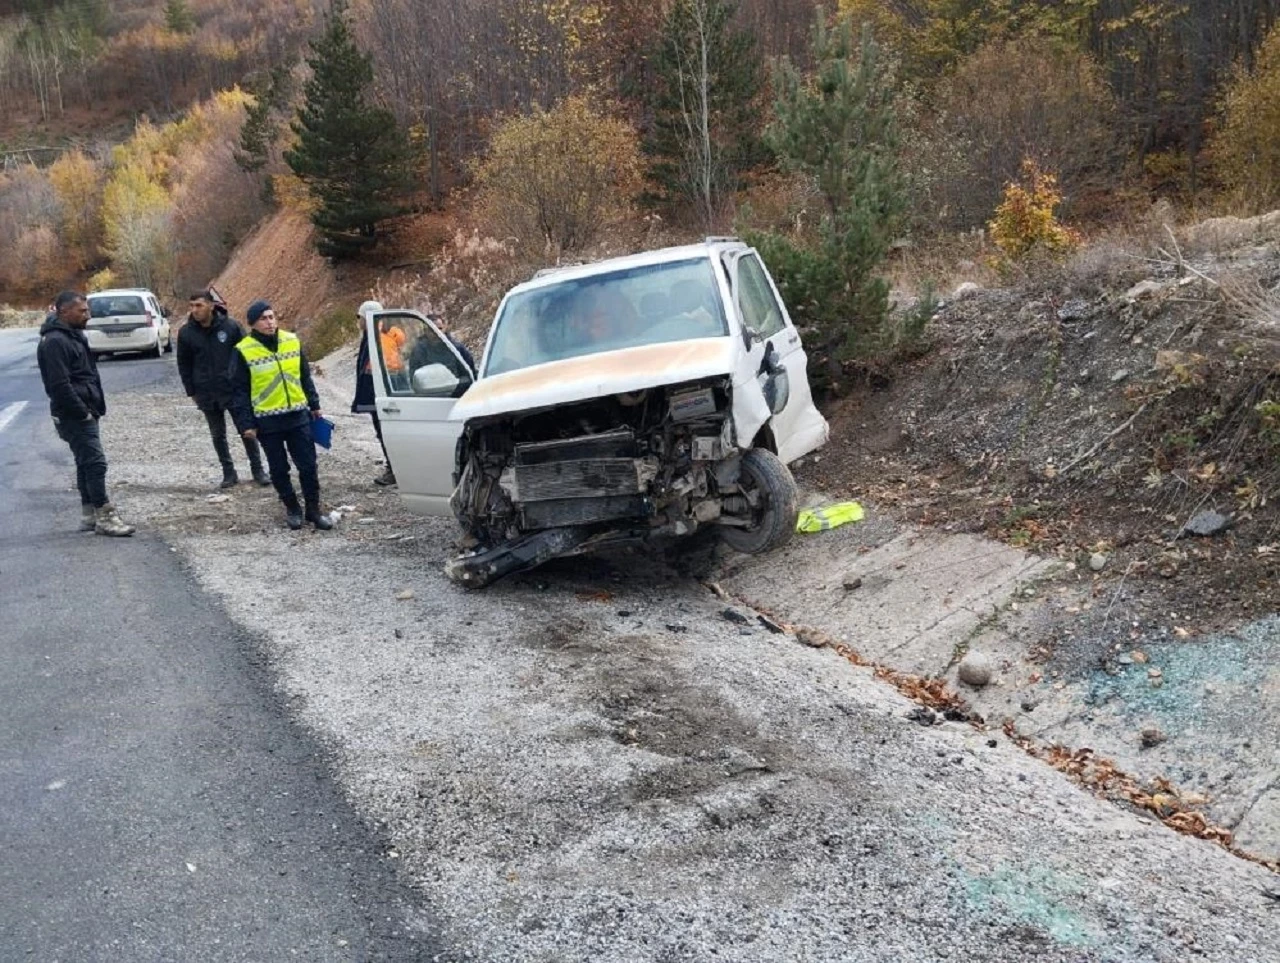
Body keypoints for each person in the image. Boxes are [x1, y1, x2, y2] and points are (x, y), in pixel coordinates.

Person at [35, 290, 135, 537]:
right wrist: (82, 412)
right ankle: (105, 515)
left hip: (85, 408)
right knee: (95, 462)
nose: (88, 315)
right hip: (73, 413)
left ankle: (89, 514)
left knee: (84, 462)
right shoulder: (56, 341)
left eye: (87, 310)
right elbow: (59, 385)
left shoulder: (73, 335)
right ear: (64, 311)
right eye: (82, 311)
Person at [228, 300, 332, 531]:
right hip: (267, 421)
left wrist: (314, 405)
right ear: (253, 323)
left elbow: (305, 376)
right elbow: (239, 391)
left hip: (297, 415)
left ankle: (313, 510)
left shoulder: (291, 341)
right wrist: (247, 424)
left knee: (308, 466)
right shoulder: (243, 350)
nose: (269, 322)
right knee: (278, 469)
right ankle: (292, 508)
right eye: (263, 318)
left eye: (272, 317)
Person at [176, 290, 270, 489]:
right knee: (217, 434)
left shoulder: (230, 326)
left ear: (211, 305)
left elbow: (248, 355)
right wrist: (191, 391)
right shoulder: (186, 333)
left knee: (246, 430)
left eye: (199, 305)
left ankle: (258, 470)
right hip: (206, 391)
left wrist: (249, 386)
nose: (194, 310)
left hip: (233, 389)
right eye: (191, 306)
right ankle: (228, 472)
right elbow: (183, 364)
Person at [353, 301, 397, 487]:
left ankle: (395, 470)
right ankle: (394, 468)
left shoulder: (379, 339)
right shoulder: (371, 337)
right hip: (376, 396)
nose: (358, 322)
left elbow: (387, 369)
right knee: (383, 433)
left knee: (387, 434)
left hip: (382, 396)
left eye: (360, 318)